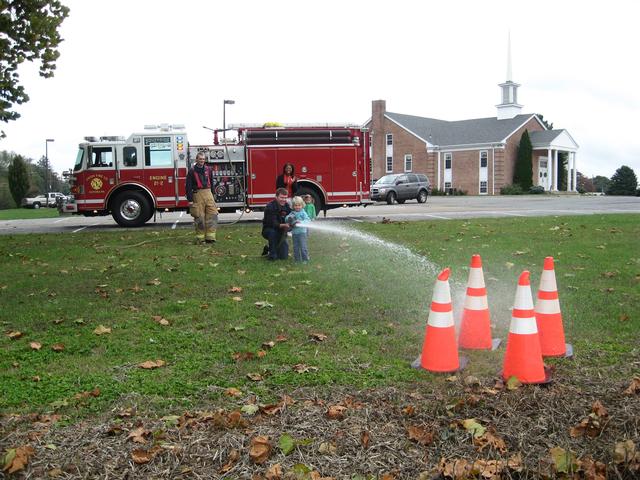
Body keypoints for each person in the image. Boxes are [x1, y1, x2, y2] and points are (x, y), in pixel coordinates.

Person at [185, 152, 218, 243]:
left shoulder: (209, 169)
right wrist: (190, 200)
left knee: (212, 215)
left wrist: (213, 195)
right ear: (196, 160)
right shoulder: (192, 171)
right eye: (200, 159)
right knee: (200, 217)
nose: (202, 161)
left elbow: (212, 182)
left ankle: (210, 237)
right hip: (197, 194)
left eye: (203, 159)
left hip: (208, 193)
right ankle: (200, 238)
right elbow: (188, 186)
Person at [261, 188, 292, 260]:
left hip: (281, 231)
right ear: (276, 197)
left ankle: (268, 248)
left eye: (285, 198)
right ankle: (272, 255)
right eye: (281, 197)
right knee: (273, 233)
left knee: (283, 257)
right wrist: (284, 225)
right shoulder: (270, 207)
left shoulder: (287, 206)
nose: (283, 200)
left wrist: (293, 222)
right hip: (269, 230)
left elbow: (291, 216)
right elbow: (273, 223)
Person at [285, 196, 311, 262]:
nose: (297, 207)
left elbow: (308, 220)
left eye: (299, 205)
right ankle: (297, 260)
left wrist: (301, 222)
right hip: (295, 233)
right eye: (296, 205)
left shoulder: (303, 213)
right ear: (293, 206)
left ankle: (305, 259)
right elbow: (286, 219)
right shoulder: (292, 213)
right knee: (295, 247)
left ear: (302, 205)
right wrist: (288, 218)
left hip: (302, 233)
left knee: (303, 247)